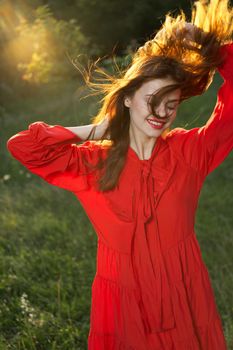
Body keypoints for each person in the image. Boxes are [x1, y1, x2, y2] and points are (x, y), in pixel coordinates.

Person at [7, 0, 233, 349]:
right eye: (151, 100)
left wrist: (210, 46)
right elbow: (24, 147)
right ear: (128, 98)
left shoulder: (191, 152)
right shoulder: (94, 164)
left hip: (183, 291)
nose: (161, 113)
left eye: (171, 105)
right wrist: (101, 130)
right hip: (122, 300)